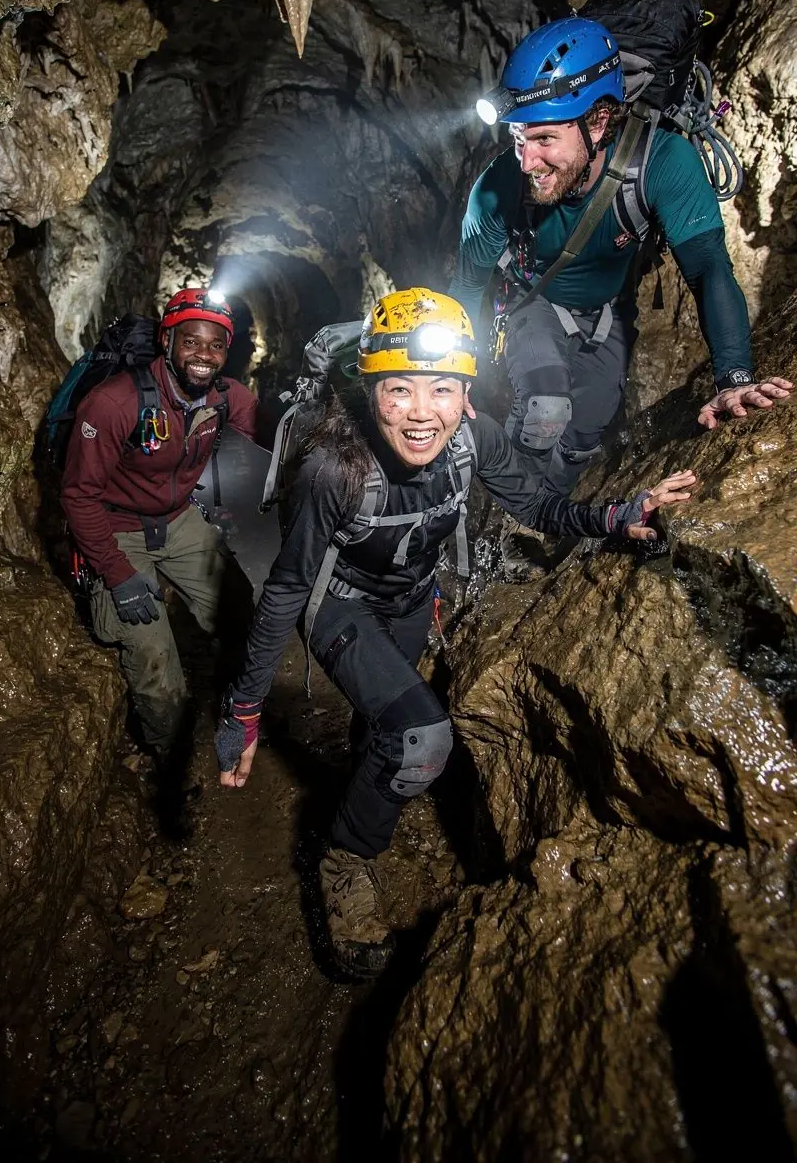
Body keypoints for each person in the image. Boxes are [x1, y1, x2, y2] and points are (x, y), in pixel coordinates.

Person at [215, 288, 695, 978]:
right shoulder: (333, 470)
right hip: (341, 605)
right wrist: (244, 707)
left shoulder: (475, 437)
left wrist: (618, 515)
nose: (421, 412)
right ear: (371, 387)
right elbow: (288, 586)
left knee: (380, 730)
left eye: (443, 389)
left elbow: (537, 504)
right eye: (399, 389)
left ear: (467, 392)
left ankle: (364, 785)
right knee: (421, 736)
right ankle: (346, 858)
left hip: (412, 598)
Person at [450, 17, 791, 516]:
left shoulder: (662, 163)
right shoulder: (498, 188)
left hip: (609, 307)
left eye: (544, 140)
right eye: (520, 138)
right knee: (545, 409)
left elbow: (708, 269)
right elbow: (466, 282)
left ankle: (543, 514)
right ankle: (505, 513)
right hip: (532, 301)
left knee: (587, 429)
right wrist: (451, 375)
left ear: (599, 122)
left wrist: (733, 377)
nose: (527, 161)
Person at [61, 288, 258, 805]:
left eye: (216, 346)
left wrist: (227, 507)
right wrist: (116, 573)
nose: (203, 355)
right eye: (191, 341)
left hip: (177, 519)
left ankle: (240, 714)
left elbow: (247, 456)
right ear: (167, 340)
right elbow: (78, 495)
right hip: (116, 526)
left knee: (244, 614)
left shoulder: (229, 399)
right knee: (155, 662)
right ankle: (173, 767)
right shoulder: (113, 402)